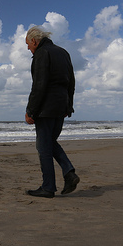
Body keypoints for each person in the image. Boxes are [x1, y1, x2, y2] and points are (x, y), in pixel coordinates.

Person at [24, 26, 80, 198]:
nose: (28, 48)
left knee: (43, 147)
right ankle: (69, 172)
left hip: (46, 108)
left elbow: (39, 85)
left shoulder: (42, 54)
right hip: (60, 105)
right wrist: (68, 106)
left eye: (28, 44)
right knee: (49, 143)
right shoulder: (63, 52)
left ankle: (48, 187)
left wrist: (31, 111)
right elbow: (71, 83)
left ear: (34, 41)